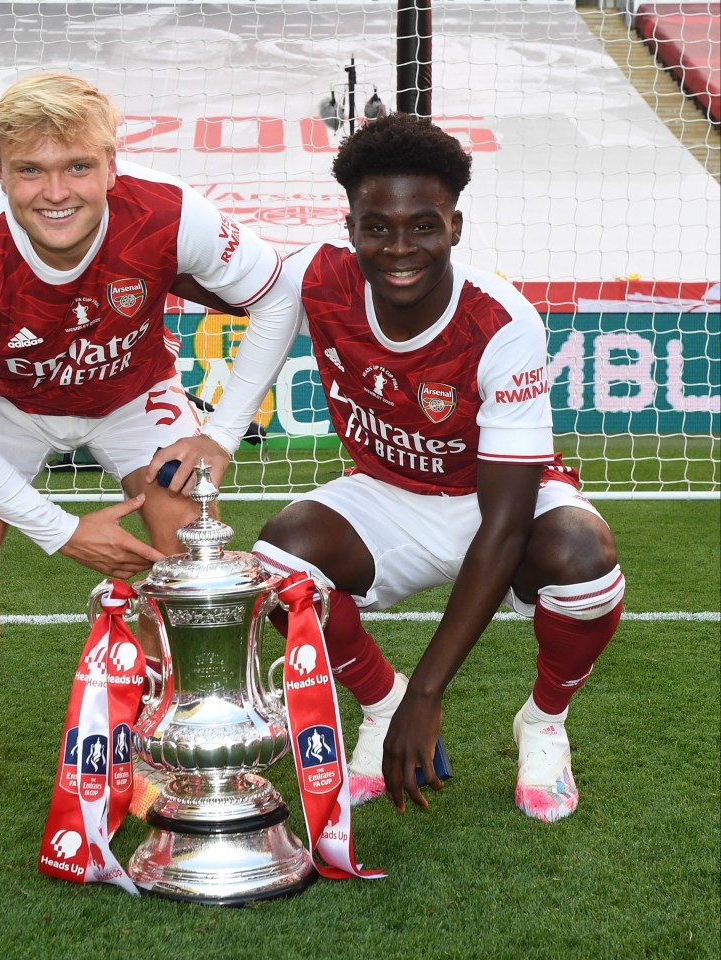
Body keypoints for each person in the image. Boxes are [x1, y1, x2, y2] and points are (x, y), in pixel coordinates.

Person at [0, 73, 299, 817]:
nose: (56, 191)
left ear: (111, 165)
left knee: (185, 541)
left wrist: (221, 431)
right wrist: (61, 532)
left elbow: (278, 295)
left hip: (129, 395)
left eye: (77, 166)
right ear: (1, 173)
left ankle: (148, 729)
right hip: (1, 407)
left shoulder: (172, 212)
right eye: (30, 170)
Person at [247, 113, 624, 823]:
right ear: (350, 223)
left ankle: (543, 724)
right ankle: (378, 705)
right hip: (389, 494)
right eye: (376, 226)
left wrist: (431, 693)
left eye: (423, 225)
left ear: (455, 225)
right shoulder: (314, 275)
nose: (398, 248)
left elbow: (506, 522)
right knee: (278, 566)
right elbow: (207, 273)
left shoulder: (502, 320)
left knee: (585, 560)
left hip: (503, 502)